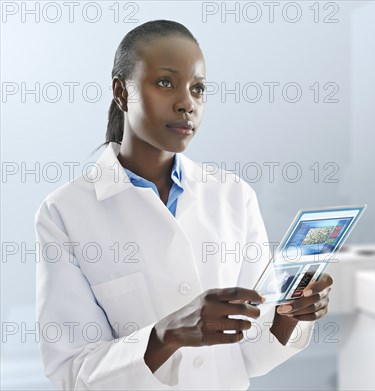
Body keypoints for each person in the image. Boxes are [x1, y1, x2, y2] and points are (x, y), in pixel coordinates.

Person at [35, 19, 333, 390]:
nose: (186, 103)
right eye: (165, 82)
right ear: (120, 92)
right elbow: (73, 371)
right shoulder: (64, 213)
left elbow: (251, 355)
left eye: (198, 88)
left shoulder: (233, 195)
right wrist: (166, 335)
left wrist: (290, 317)